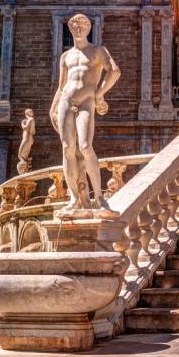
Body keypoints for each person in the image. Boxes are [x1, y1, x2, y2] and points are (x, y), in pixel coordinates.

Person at [50, 14, 120, 212]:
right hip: (65, 101)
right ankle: (73, 198)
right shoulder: (66, 57)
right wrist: (53, 107)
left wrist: (99, 95)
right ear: (70, 28)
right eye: (75, 25)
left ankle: (99, 197)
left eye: (83, 25)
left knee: (85, 146)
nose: (79, 28)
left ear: (89, 28)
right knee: (67, 149)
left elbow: (114, 71)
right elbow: (61, 86)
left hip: (86, 101)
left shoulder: (98, 51)